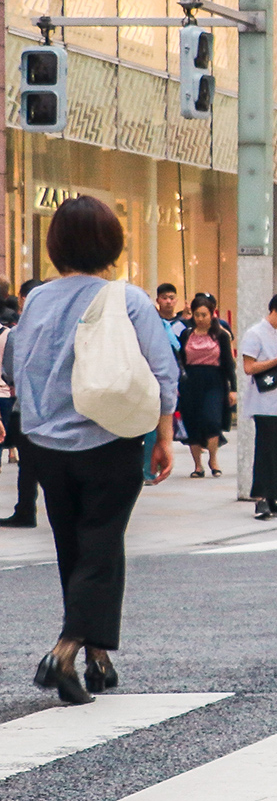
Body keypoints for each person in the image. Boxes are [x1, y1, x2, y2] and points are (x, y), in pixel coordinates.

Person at [0, 197, 179, 705]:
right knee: (101, 542)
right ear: (112, 244)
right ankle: (64, 650)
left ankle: (98, 659)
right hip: (109, 439)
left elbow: (16, 367)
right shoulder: (129, 299)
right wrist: (163, 437)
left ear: (56, 246)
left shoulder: (35, 301)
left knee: (73, 546)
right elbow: (163, 372)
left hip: (45, 445)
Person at [239, 293, 277, 520]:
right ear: (275, 311)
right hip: (264, 402)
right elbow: (249, 367)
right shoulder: (254, 334)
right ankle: (261, 499)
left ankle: (276, 496)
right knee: (265, 451)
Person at [176, 296, 235, 478]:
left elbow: (228, 363)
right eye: (197, 315)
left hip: (214, 380)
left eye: (204, 315)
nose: (200, 318)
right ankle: (197, 465)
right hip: (190, 381)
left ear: (212, 314)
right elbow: (181, 361)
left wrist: (233, 388)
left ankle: (213, 458)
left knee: (212, 419)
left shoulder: (221, 335)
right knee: (192, 421)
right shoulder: (187, 334)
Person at [0, 285, 37, 527]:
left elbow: (11, 369)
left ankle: (25, 509)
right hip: (38, 402)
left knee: (28, 461)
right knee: (31, 461)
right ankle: (26, 508)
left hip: (20, 401)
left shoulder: (19, 329)